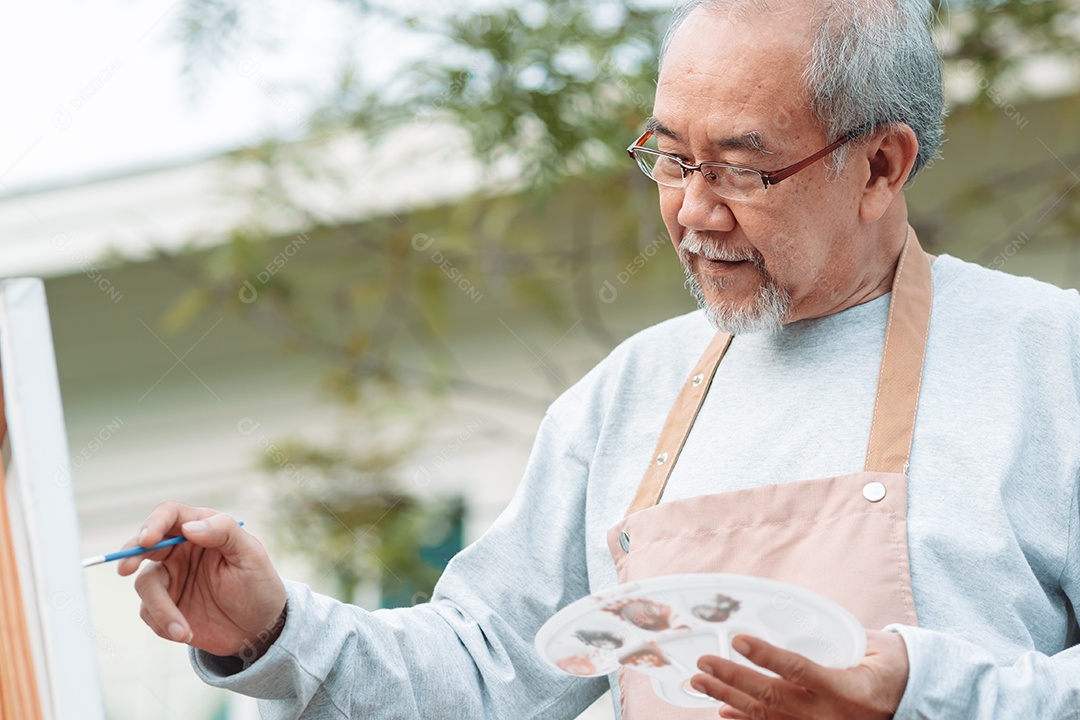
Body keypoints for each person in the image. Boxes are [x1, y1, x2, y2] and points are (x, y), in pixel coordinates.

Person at [120, 0, 1080, 717]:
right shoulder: (627, 397)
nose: (695, 213)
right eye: (670, 159)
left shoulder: (1047, 358)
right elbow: (492, 666)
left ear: (881, 166)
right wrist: (275, 631)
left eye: (743, 170)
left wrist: (922, 691)